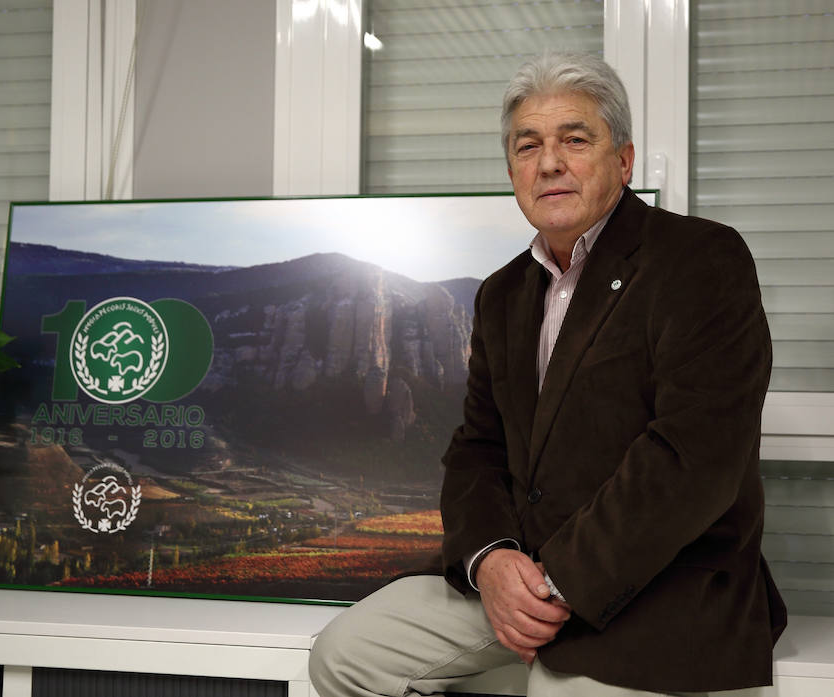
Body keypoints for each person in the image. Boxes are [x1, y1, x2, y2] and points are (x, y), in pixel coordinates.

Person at [309, 51, 786, 697]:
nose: (550, 161)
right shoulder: (503, 292)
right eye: (528, 145)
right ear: (512, 171)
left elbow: (692, 459)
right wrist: (491, 561)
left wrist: (558, 583)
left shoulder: (701, 259)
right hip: (520, 572)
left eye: (574, 139)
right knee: (346, 656)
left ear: (624, 160)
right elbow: (478, 448)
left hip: (662, 583)